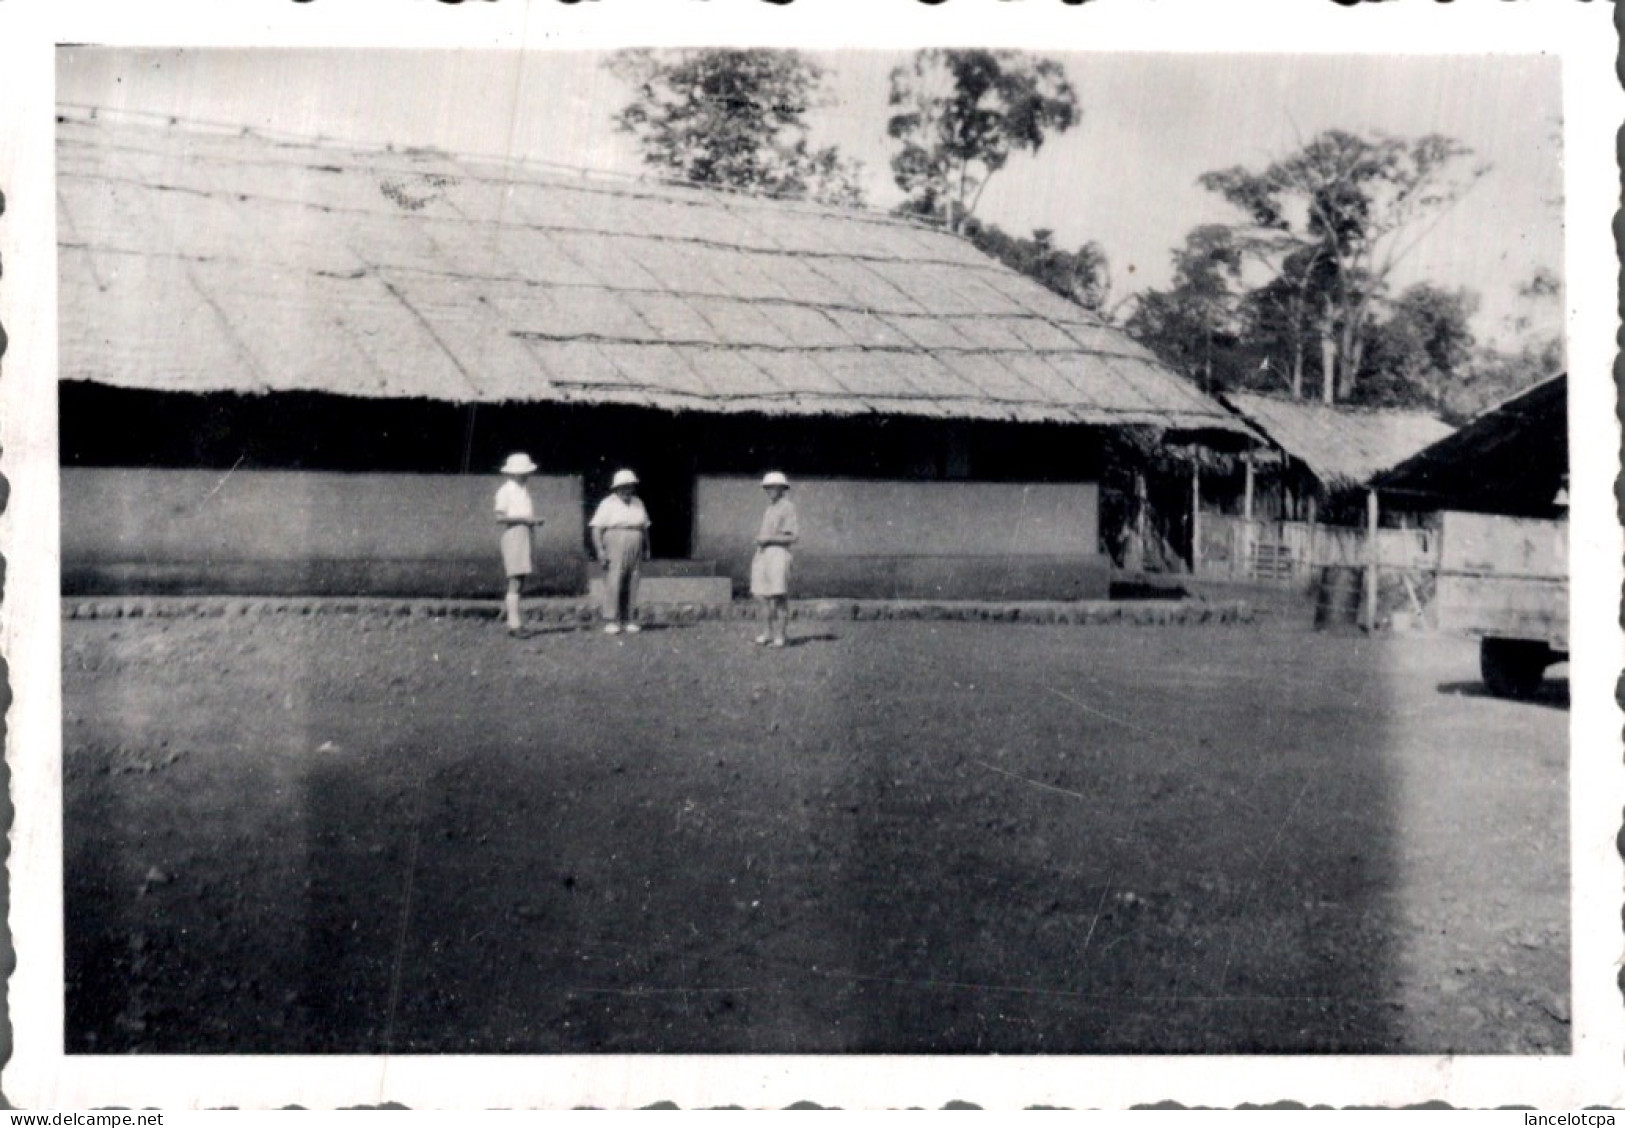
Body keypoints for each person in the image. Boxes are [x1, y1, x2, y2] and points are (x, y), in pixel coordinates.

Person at [589, 469, 651, 635]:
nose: (626, 490)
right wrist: (600, 550)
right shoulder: (607, 503)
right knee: (614, 579)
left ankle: (629, 618)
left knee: (633, 579)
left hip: (636, 540)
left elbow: (645, 527)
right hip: (614, 539)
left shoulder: (638, 502)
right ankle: (612, 619)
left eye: (629, 487)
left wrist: (647, 547)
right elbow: (596, 529)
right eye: (623, 487)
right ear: (616, 488)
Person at [494, 452, 544, 637]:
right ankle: (514, 625)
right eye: (523, 472)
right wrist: (527, 519)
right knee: (515, 579)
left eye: (527, 472)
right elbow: (499, 518)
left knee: (520, 579)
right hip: (514, 534)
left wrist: (530, 522)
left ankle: (510, 615)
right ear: (513, 473)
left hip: (525, 533)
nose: (527, 475)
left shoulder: (522, 489)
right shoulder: (505, 491)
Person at [750, 471, 799, 648]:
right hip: (763, 554)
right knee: (760, 595)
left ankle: (780, 636)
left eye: (773, 487)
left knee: (778, 596)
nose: (770, 490)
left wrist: (768, 539)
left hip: (778, 553)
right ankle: (766, 633)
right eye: (767, 487)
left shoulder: (787, 507)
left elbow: (793, 537)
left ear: (782, 488)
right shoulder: (770, 508)